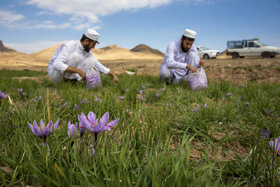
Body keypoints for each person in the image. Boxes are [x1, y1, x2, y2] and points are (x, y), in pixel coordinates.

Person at [48, 28, 119, 84]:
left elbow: (97, 64)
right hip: (56, 75)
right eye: (93, 44)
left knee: (91, 61)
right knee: (75, 56)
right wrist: (78, 71)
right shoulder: (69, 45)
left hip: (67, 75)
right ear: (86, 41)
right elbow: (56, 64)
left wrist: (112, 75)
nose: (94, 47)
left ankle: (71, 82)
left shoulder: (87, 51)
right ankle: (68, 81)